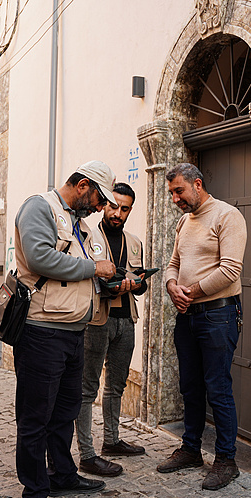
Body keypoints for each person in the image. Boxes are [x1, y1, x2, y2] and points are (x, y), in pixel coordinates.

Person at [12, 161, 118, 498]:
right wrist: (95, 269)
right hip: (42, 331)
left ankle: (62, 475)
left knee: (65, 413)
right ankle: (35, 493)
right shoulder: (39, 207)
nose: (101, 207)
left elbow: (80, 269)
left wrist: (114, 281)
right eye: (99, 199)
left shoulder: (80, 223)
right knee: (34, 417)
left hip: (74, 332)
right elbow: (41, 257)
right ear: (83, 184)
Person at [156, 162, 247, 491]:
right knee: (190, 386)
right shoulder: (183, 222)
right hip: (188, 316)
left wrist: (190, 292)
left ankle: (226, 460)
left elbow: (230, 269)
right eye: (171, 193)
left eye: (179, 191)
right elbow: (173, 264)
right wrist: (171, 286)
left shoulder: (227, 216)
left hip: (218, 315)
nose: (176, 198)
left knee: (218, 388)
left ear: (197, 184)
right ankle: (191, 449)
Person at [75, 182, 148, 477]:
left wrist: (138, 283)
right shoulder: (88, 236)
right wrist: (109, 286)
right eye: (114, 206)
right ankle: (87, 454)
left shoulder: (134, 242)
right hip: (96, 321)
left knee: (117, 385)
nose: (118, 213)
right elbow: (83, 278)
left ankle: (112, 441)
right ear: (105, 204)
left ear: (130, 210)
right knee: (87, 388)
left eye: (125, 208)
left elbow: (140, 285)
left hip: (125, 320)